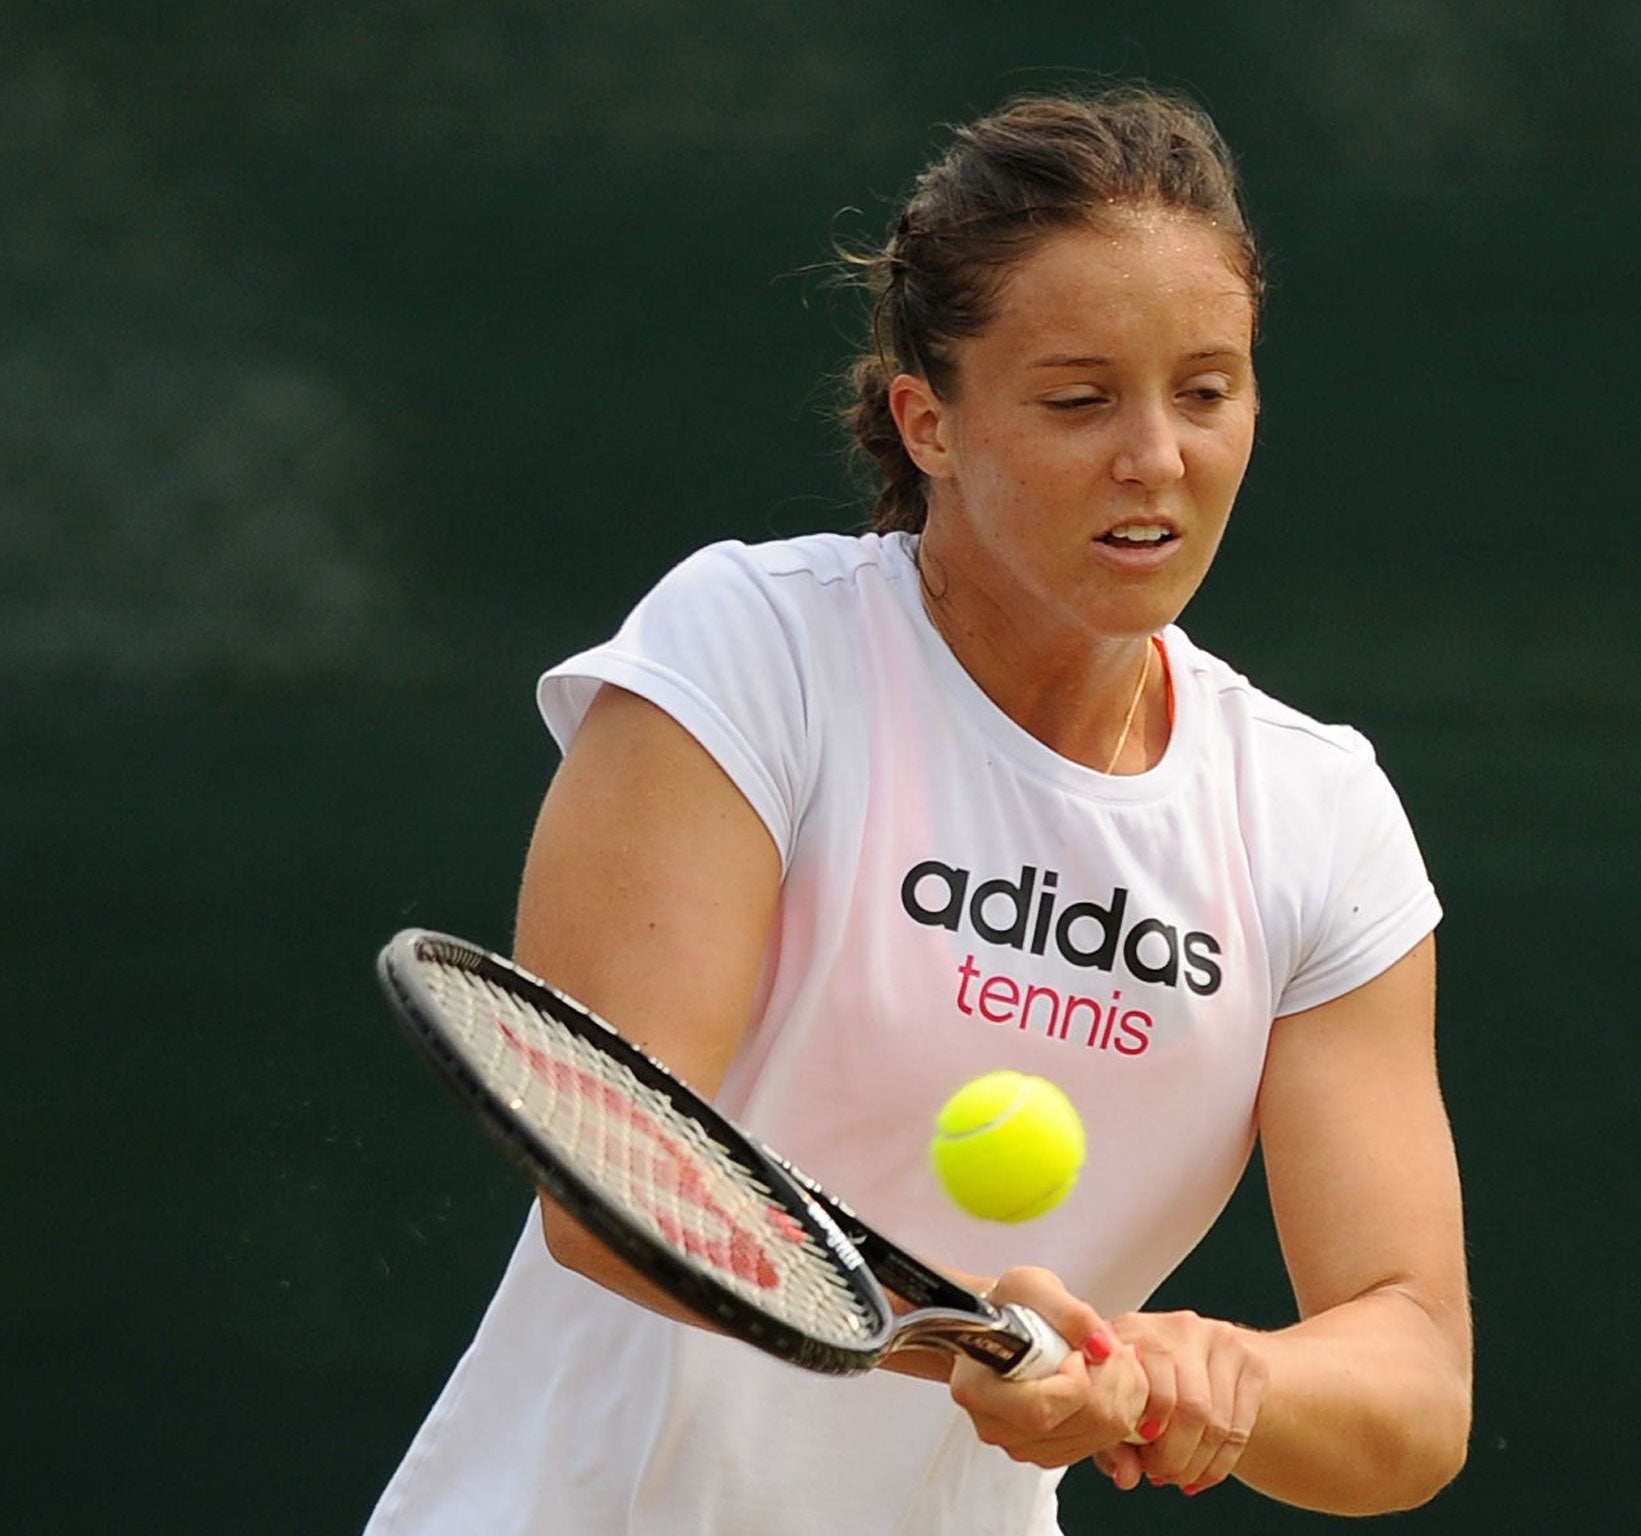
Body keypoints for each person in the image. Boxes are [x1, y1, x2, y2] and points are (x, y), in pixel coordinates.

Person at [366, 85, 1470, 1534]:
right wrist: (979, 1335)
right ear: (926, 421)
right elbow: (612, 1181)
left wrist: (1211, 1375)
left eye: (1208, 390)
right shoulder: (751, 650)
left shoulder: (1318, 816)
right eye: (1079, 399)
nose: (1158, 458)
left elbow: (1414, 1377)